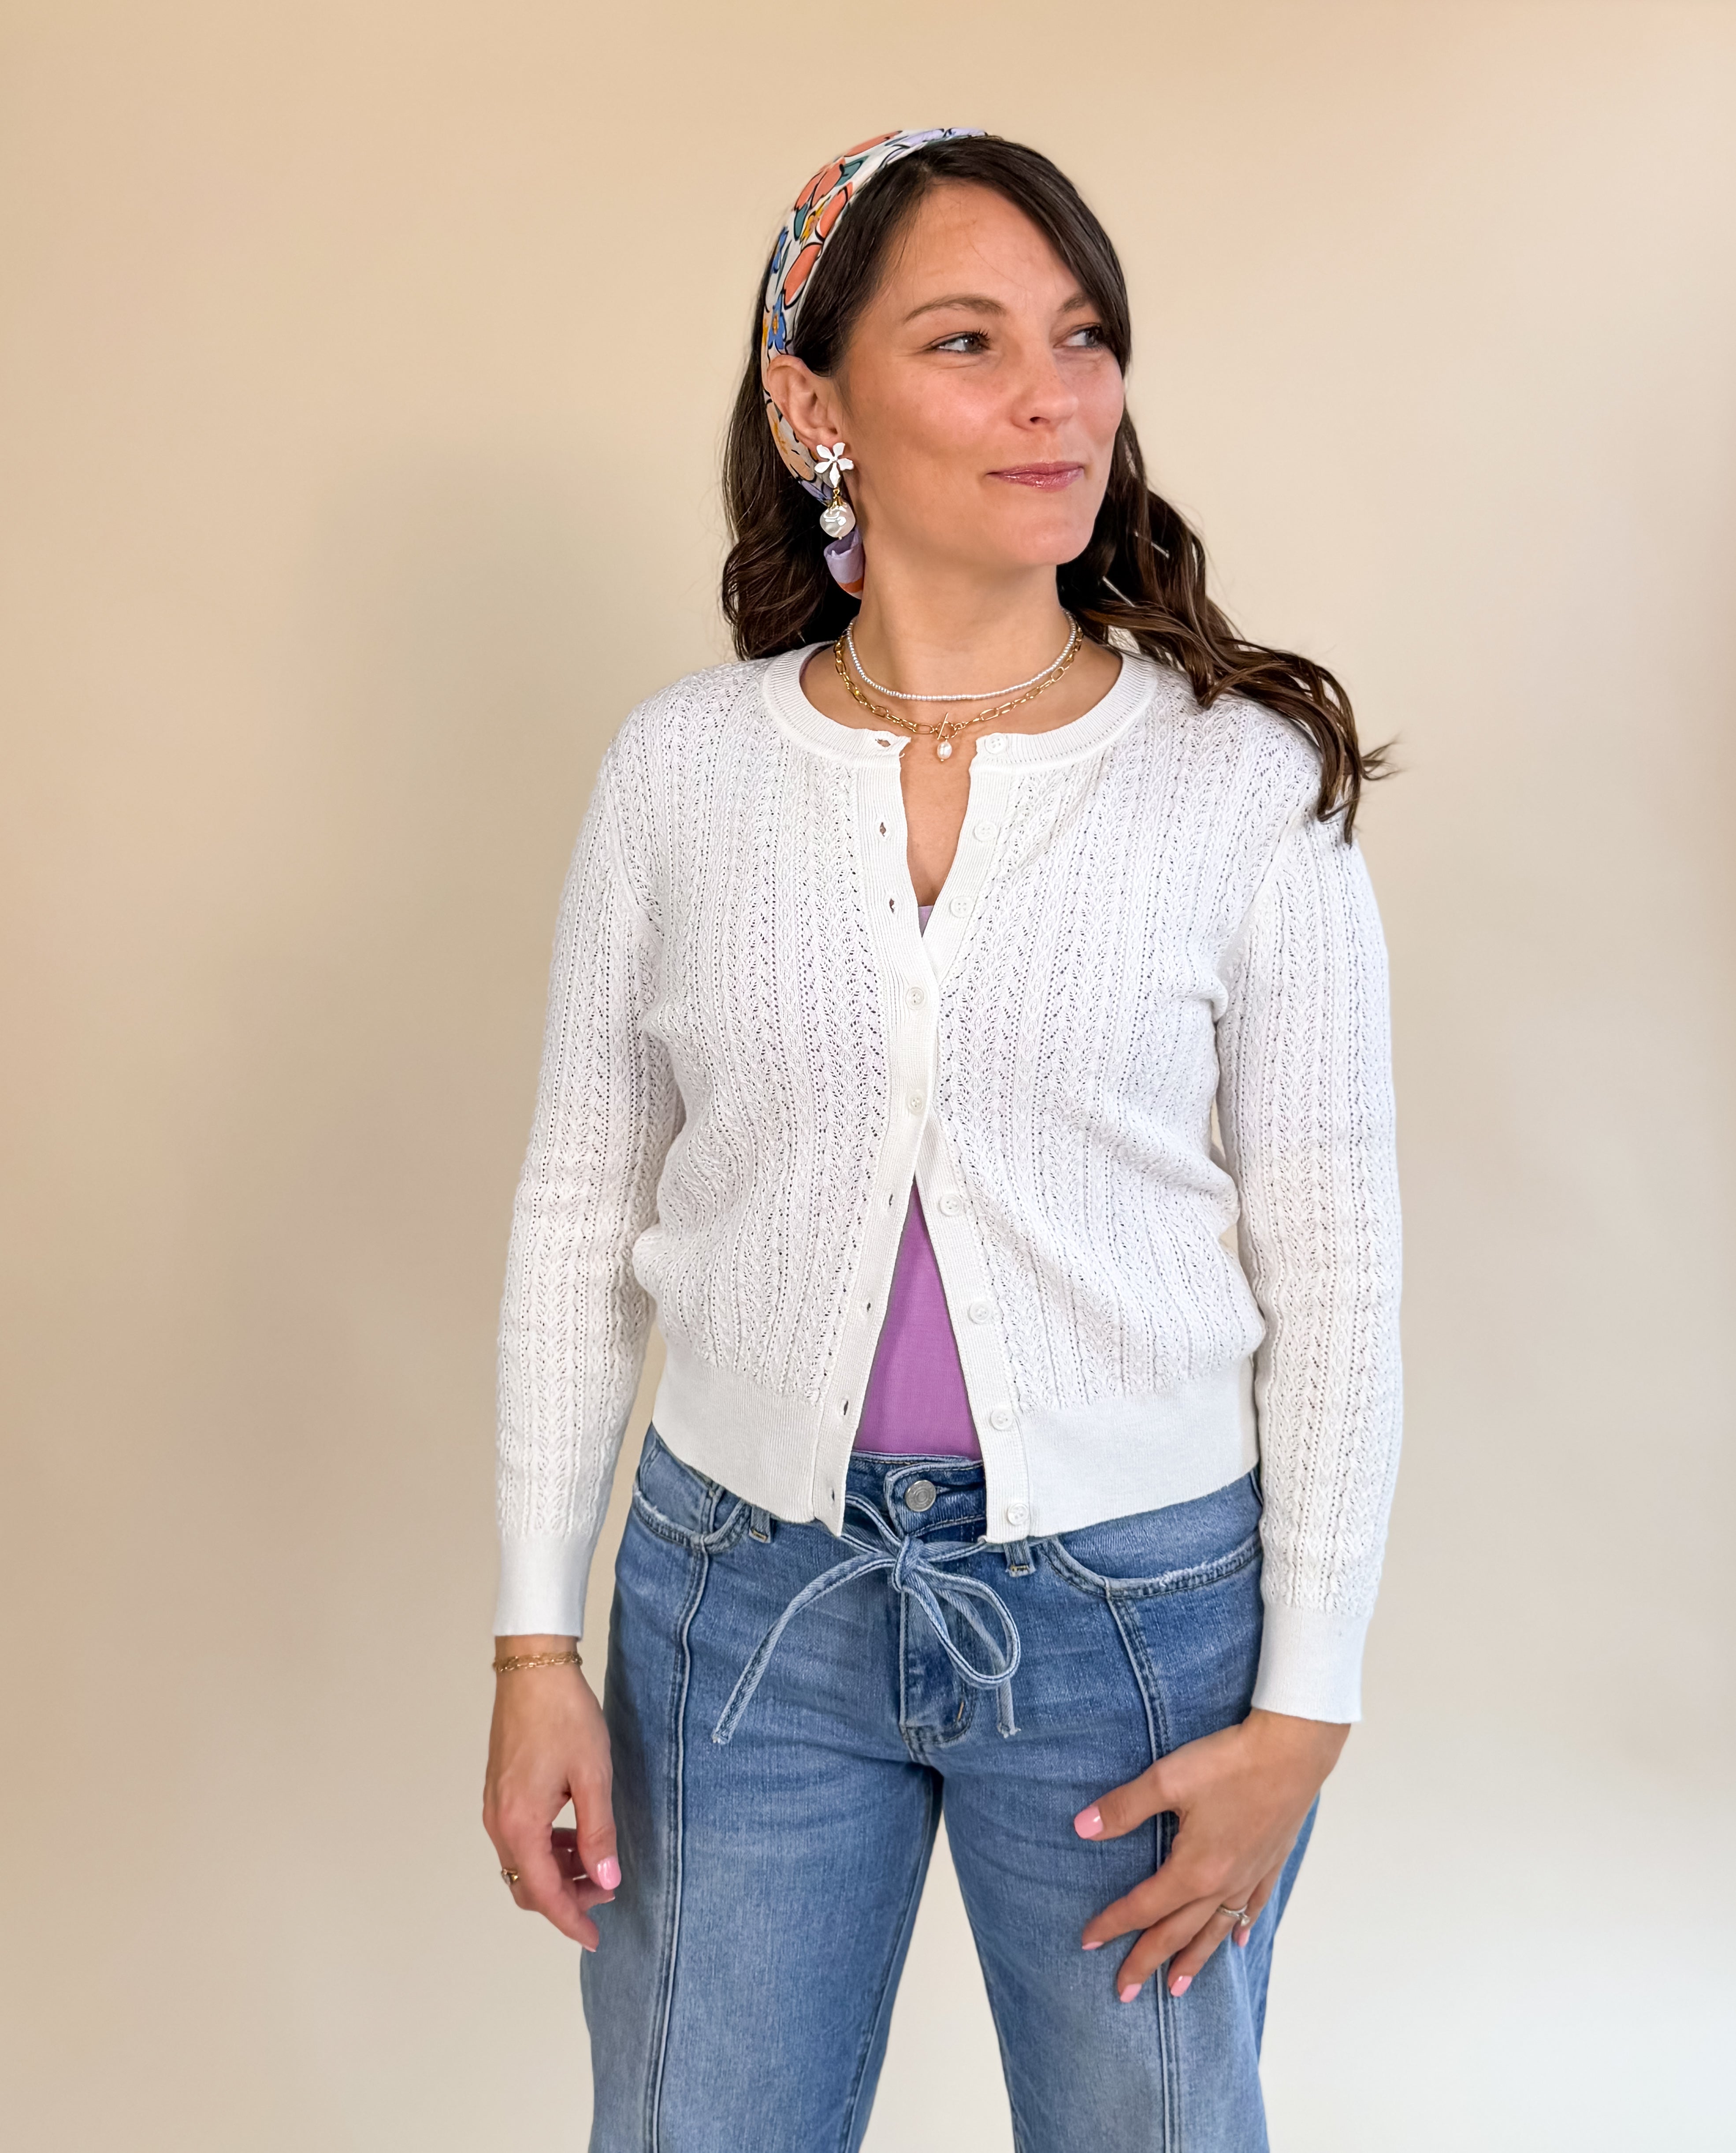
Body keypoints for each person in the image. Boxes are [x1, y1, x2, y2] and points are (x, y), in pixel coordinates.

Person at [482, 128, 1401, 2153]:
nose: (1053, 397)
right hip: (734, 1609)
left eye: (1083, 338)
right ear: (812, 403)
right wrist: (536, 1641)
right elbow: (576, 1213)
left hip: (1139, 1627)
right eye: (968, 341)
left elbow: (1334, 1263)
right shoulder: (682, 774)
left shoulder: (1238, 787)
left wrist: (1305, 1706)